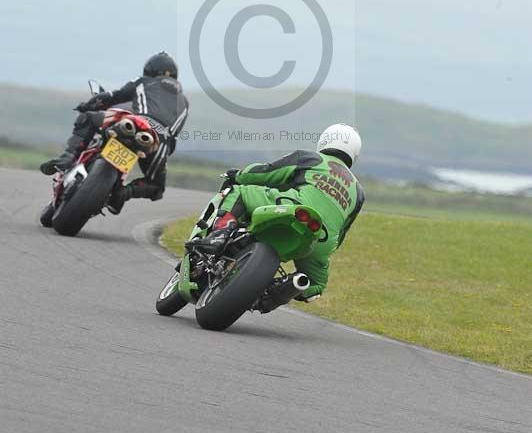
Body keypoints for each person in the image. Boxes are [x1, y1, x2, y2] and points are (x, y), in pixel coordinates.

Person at [190, 123, 365, 302]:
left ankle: (220, 234)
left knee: (240, 192)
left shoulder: (311, 158)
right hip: (321, 238)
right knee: (315, 285)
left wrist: (239, 175)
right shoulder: (359, 192)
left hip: (294, 209)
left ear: (325, 140)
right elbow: (341, 235)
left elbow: (267, 172)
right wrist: (323, 250)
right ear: (354, 153)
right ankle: (281, 290)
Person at [40, 52, 188, 213]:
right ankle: (122, 193)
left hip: (134, 124)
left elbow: (112, 96)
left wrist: (87, 106)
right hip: (157, 141)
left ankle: (68, 157)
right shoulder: (185, 102)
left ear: (150, 71)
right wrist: (162, 152)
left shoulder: (144, 82)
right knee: (156, 187)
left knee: (88, 118)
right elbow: (173, 139)